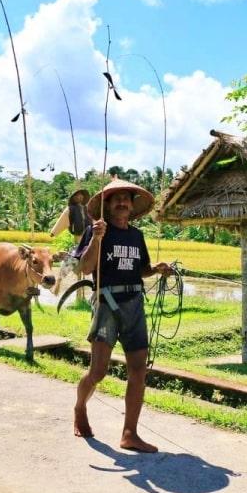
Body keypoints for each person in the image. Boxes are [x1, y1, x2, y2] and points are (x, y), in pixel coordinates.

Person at [72, 179, 172, 452]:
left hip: (134, 305)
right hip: (107, 305)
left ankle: (130, 434)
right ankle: (80, 407)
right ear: (106, 204)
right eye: (116, 199)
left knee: (139, 369)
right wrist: (96, 238)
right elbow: (84, 268)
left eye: (126, 199)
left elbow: (140, 269)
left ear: (132, 205)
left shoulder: (136, 236)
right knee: (98, 371)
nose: (122, 203)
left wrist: (157, 269)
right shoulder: (97, 231)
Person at [50, 188, 92, 302]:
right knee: (70, 261)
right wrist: (54, 232)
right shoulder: (70, 209)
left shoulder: (88, 209)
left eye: (81, 196)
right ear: (73, 198)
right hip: (78, 243)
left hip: (90, 242)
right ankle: (58, 283)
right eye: (76, 196)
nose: (79, 197)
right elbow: (62, 220)